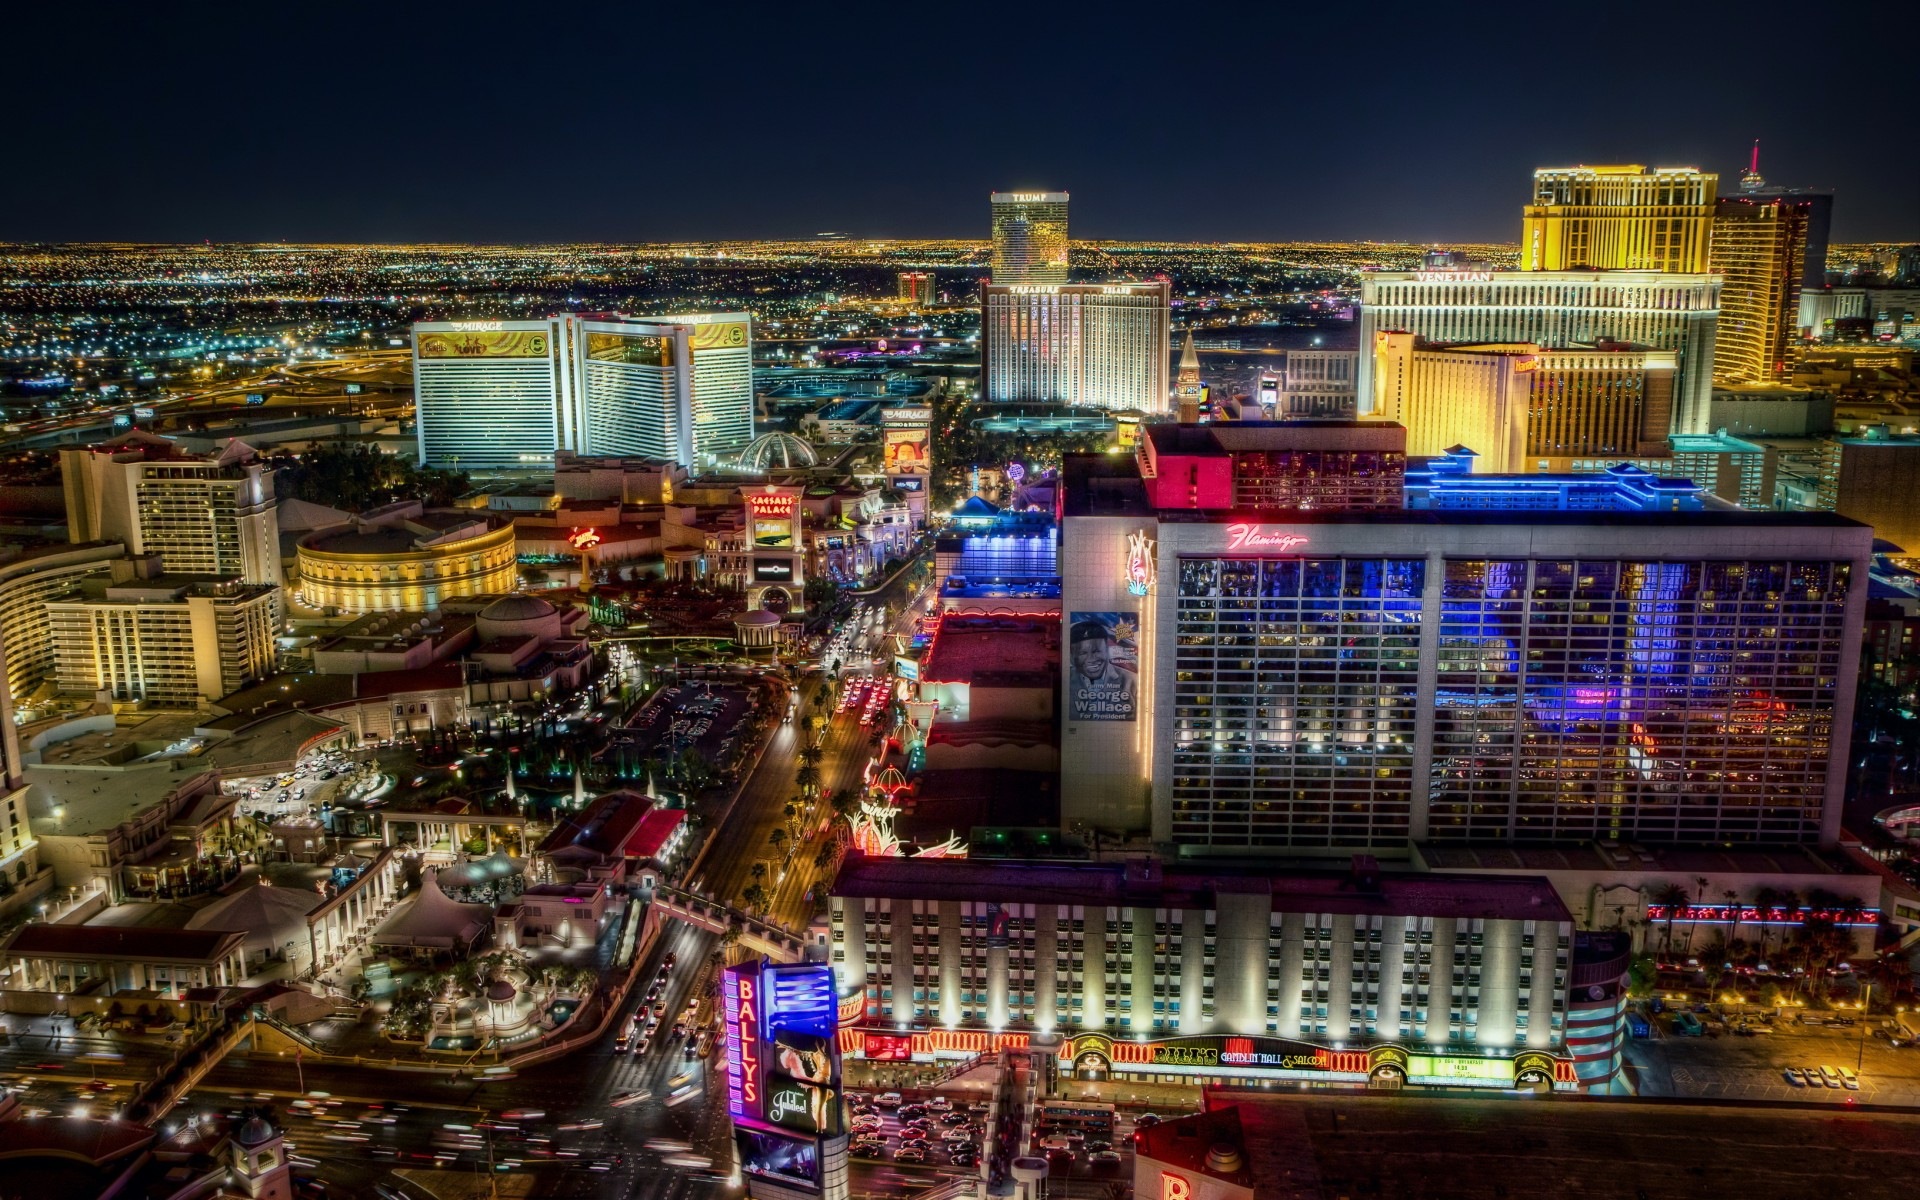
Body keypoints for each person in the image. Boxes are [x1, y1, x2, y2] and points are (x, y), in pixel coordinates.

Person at [1069, 618, 1132, 707]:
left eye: (1097, 651)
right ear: (1072, 656)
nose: (1091, 659)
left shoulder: (1131, 682)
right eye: (1083, 653)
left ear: (1107, 650)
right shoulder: (1066, 681)